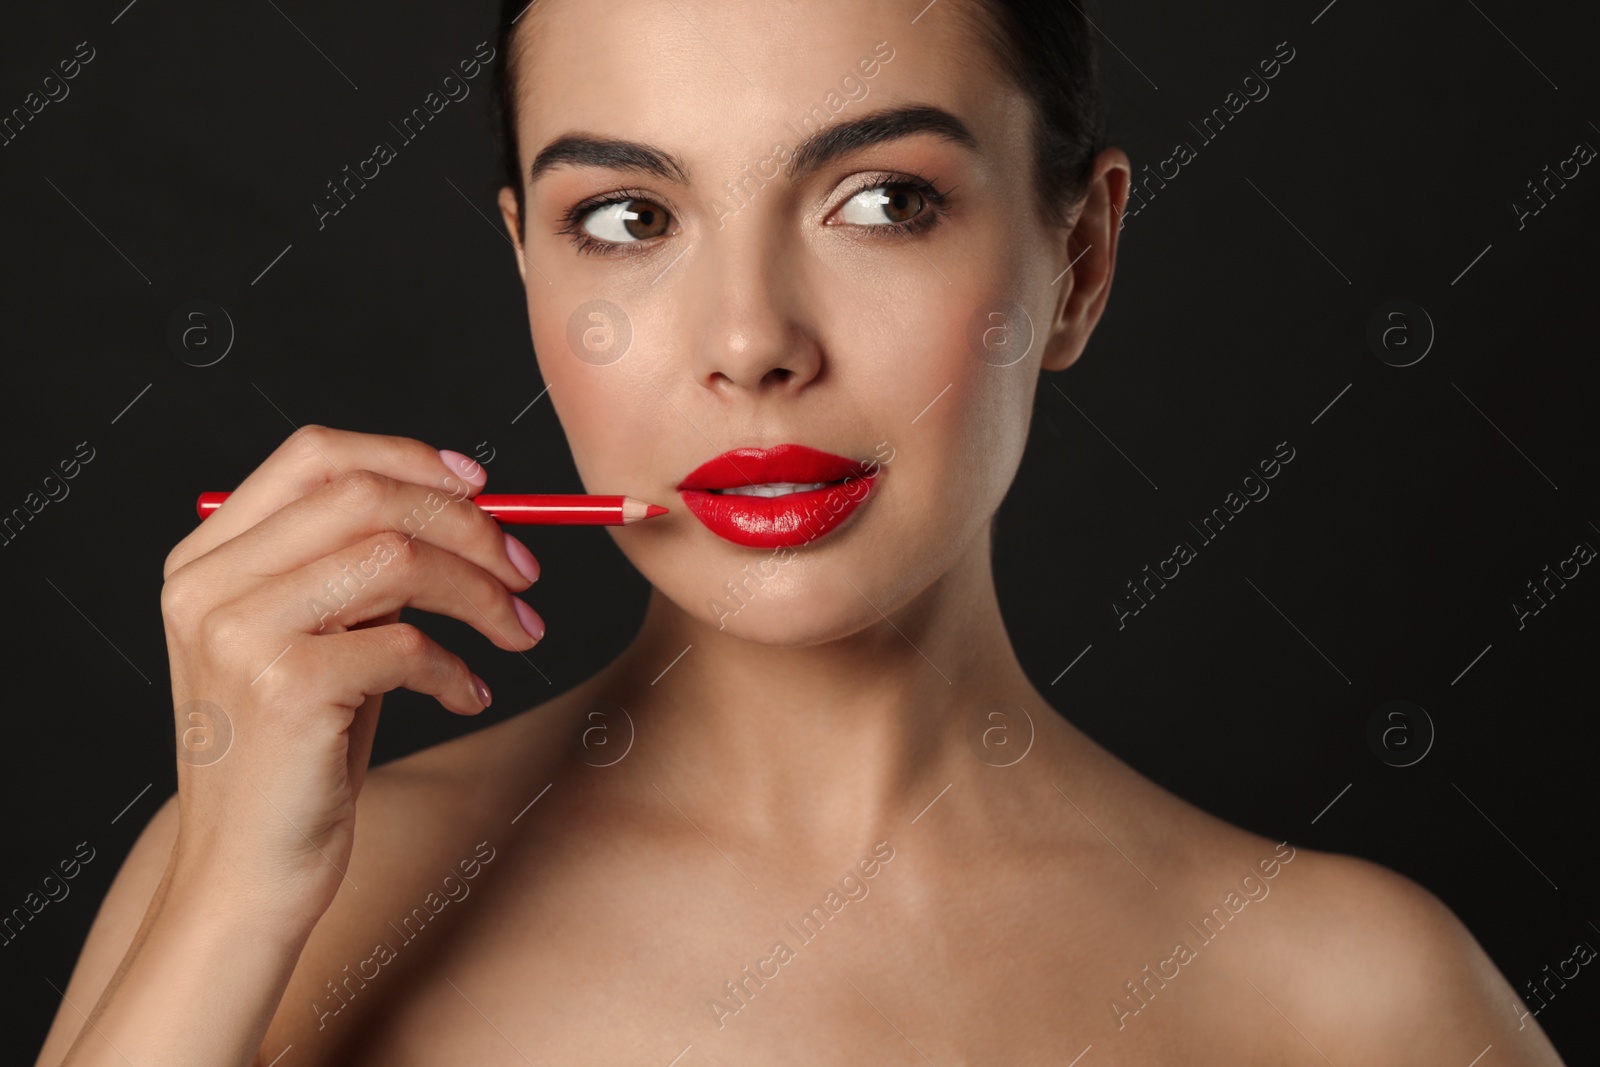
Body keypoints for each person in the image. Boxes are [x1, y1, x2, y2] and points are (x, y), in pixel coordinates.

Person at [37, 0, 1566, 1063]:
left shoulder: (1344, 999)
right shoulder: (270, 895)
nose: (753, 341)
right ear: (527, 271)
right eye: (629, 218)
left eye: (882, 200)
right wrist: (235, 909)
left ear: (1079, 259)